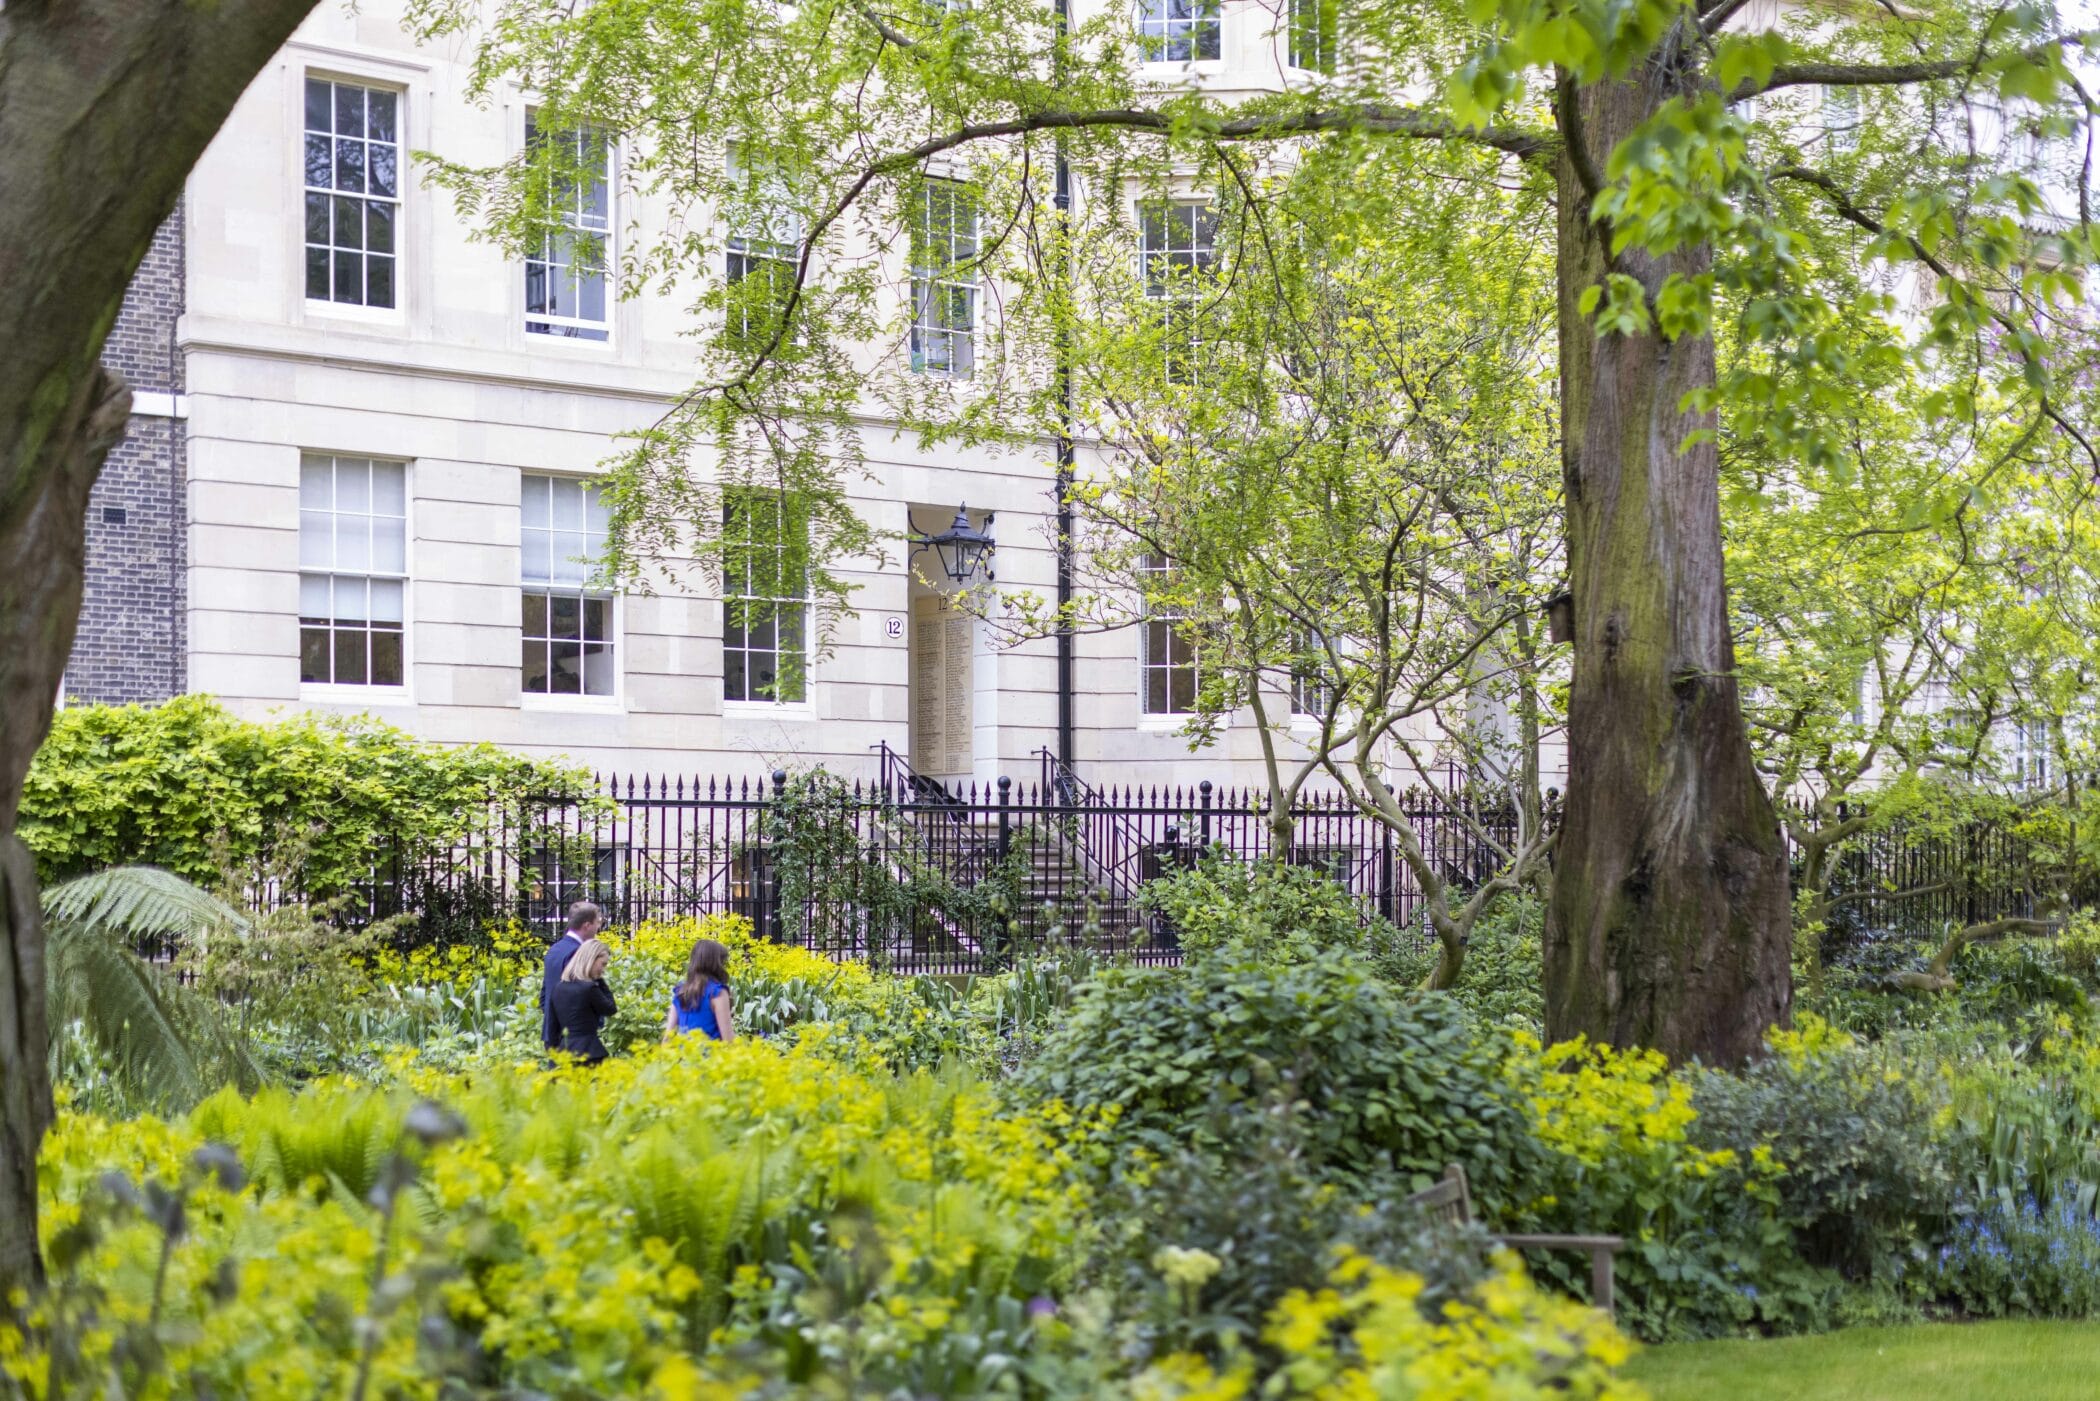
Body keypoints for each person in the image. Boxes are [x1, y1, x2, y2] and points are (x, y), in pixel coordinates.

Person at [541, 902, 604, 1051]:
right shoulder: (578, 954)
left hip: (553, 1035)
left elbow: (545, 996)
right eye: (597, 923)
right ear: (587, 925)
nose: (598, 928)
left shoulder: (554, 950)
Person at [549, 936, 617, 1065]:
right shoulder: (589, 988)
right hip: (590, 1051)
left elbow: (553, 1027)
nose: (603, 969)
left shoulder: (558, 988)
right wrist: (601, 982)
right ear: (592, 959)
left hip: (564, 1052)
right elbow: (610, 1009)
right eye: (603, 964)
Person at [664, 936, 736, 1043]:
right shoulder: (718, 993)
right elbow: (728, 1040)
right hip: (711, 1056)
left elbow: (667, 1038)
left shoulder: (681, 991)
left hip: (685, 1056)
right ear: (715, 964)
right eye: (723, 962)